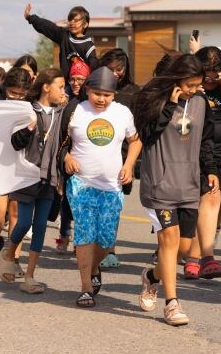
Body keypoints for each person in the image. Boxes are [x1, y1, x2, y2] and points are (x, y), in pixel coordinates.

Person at [134, 53, 217, 326]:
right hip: (160, 183)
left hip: (189, 184)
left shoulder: (201, 102)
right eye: (190, 85)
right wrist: (169, 104)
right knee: (168, 240)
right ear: (176, 79)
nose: (194, 90)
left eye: (197, 85)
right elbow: (146, 135)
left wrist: (211, 169)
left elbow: (206, 139)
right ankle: (172, 304)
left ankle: (152, 277)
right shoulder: (152, 98)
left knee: (181, 249)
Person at [59, 66, 141, 306]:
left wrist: (129, 165)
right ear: (87, 90)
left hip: (112, 186)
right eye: (97, 93)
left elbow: (135, 142)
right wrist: (67, 158)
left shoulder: (122, 112)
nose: (102, 99)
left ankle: (94, 268)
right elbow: (58, 142)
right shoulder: (75, 110)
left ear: (114, 94)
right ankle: (85, 287)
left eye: (107, 95)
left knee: (105, 240)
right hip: (81, 183)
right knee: (84, 234)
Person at [0, 68, 65, 293]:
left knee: (40, 228)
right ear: (47, 87)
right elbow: (15, 143)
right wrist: (28, 129)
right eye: (60, 86)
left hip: (49, 176)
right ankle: (8, 253)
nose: (63, 91)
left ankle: (30, 277)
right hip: (26, 176)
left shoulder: (62, 111)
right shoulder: (26, 110)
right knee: (24, 223)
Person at [183, 45, 221, 280]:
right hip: (194, 154)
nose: (210, 76)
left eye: (214, 70)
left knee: (216, 200)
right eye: (205, 70)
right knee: (200, 203)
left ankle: (199, 253)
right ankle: (195, 255)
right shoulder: (191, 89)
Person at [0, 68, 33, 278]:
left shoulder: (32, 102)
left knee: (16, 215)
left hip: (22, 162)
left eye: (21, 94)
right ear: (5, 87)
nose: (17, 97)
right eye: (13, 92)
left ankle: (13, 259)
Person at [97, 48, 140, 269]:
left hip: (121, 159)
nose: (116, 73)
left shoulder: (133, 93)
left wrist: (130, 164)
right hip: (92, 159)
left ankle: (109, 249)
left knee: (113, 207)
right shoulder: (93, 89)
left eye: (120, 69)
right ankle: (91, 245)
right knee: (92, 206)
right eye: (111, 69)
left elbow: (137, 134)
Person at [54, 58, 91, 254]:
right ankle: (65, 235)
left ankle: (80, 241)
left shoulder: (92, 102)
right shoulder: (66, 101)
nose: (76, 83)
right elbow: (59, 135)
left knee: (84, 205)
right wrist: (64, 157)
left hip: (89, 159)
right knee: (67, 201)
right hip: (68, 157)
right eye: (73, 79)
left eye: (80, 79)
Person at [24, 3, 98, 80]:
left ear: (85, 24)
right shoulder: (64, 36)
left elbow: (94, 65)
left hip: (82, 84)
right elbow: (48, 26)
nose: (72, 22)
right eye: (70, 20)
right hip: (65, 84)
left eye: (76, 20)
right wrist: (30, 18)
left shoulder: (88, 45)